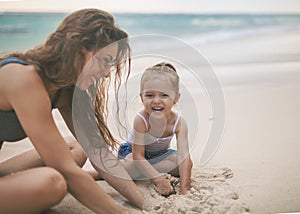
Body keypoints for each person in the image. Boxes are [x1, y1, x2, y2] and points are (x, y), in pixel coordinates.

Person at [0, 8, 148, 214]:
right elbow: (65, 171)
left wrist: (145, 204)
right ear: (78, 46)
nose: (106, 75)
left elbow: (98, 153)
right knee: (52, 182)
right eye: (105, 61)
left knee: (74, 148)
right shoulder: (22, 77)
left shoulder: (65, 91)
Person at [118, 62, 193, 196]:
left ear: (176, 98)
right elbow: (138, 155)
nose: (156, 101)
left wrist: (185, 187)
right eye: (150, 95)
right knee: (131, 165)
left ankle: (139, 171)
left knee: (181, 163)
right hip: (134, 153)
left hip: (159, 155)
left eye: (164, 95)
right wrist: (158, 180)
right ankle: (104, 172)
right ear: (142, 97)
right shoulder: (141, 120)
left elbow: (184, 156)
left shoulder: (179, 123)